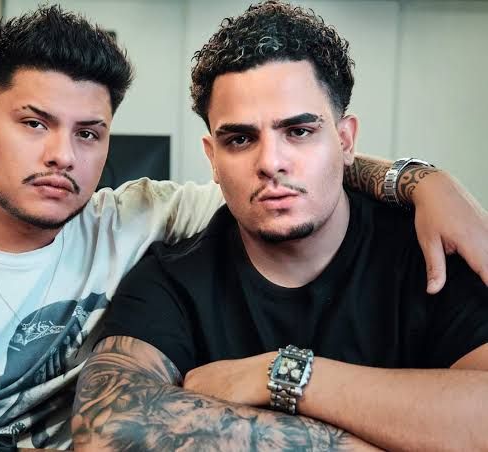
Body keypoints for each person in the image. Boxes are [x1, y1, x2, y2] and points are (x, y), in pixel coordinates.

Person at [0, 4, 485, 452]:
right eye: (35, 123)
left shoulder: (131, 217)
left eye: (88, 132)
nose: (62, 155)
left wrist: (420, 180)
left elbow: (283, 177)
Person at [72, 2, 488, 451]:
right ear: (212, 158)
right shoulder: (170, 280)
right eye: (240, 139)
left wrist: (283, 375)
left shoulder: (430, 252)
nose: (271, 162)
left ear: (345, 140)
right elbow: (108, 428)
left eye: (299, 132)